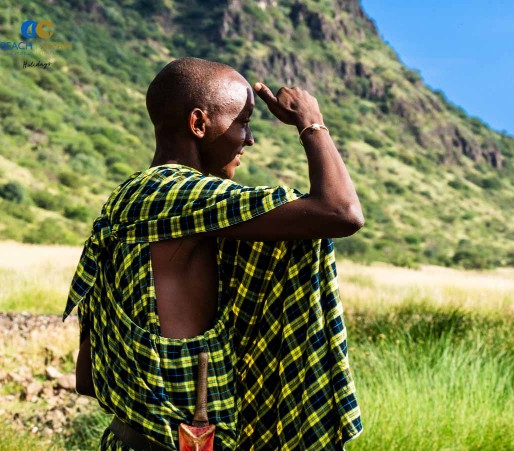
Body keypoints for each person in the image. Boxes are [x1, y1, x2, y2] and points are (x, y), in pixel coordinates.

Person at [62, 56, 365, 450]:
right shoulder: (179, 195)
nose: (250, 139)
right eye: (243, 123)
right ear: (199, 124)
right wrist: (311, 122)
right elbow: (341, 212)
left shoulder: (123, 203)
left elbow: (87, 378)